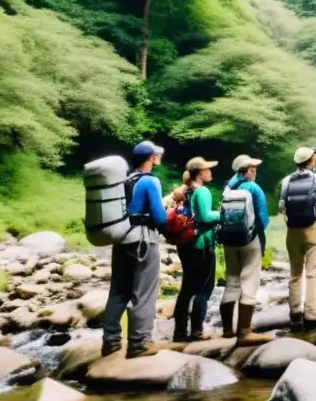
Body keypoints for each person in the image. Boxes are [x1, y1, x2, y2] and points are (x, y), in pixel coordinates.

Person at [102, 140, 167, 358]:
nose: (158, 157)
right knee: (144, 292)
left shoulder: (123, 180)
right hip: (143, 242)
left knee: (118, 291)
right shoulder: (150, 182)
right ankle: (139, 343)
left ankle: (110, 341)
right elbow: (159, 218)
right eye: (156, 154)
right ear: (151, 158)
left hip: (120, 239)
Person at [220, 153, 273, 344]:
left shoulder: (228, 187)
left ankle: (227, 330)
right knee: (250, 282)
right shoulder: (253, 188)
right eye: (254, 169)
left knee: (232, 280)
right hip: (249, 241)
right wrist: (256, 236)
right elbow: (263, 219)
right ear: (248, 170)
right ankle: (244, 331)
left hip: (229, 241)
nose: (255, 172)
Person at [279, 146, 316, 330]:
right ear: (310, 161)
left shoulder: (286, 181)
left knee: (295, 273)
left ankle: (294, 314)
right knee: (313, 271)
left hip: (292, 232)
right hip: (312, 229)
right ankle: (311, 313)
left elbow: (282, 206)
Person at [171, 156, 219, 343]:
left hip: (185, 244)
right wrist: (221, 213)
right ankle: (197, 331)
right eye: (207, 169)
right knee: (204, 288)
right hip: (201, 244)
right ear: (199, 173)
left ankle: (179, 332)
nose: (210, 172)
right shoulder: (203, 192)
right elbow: (206, 217)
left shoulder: (185, 191)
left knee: (187, 288)